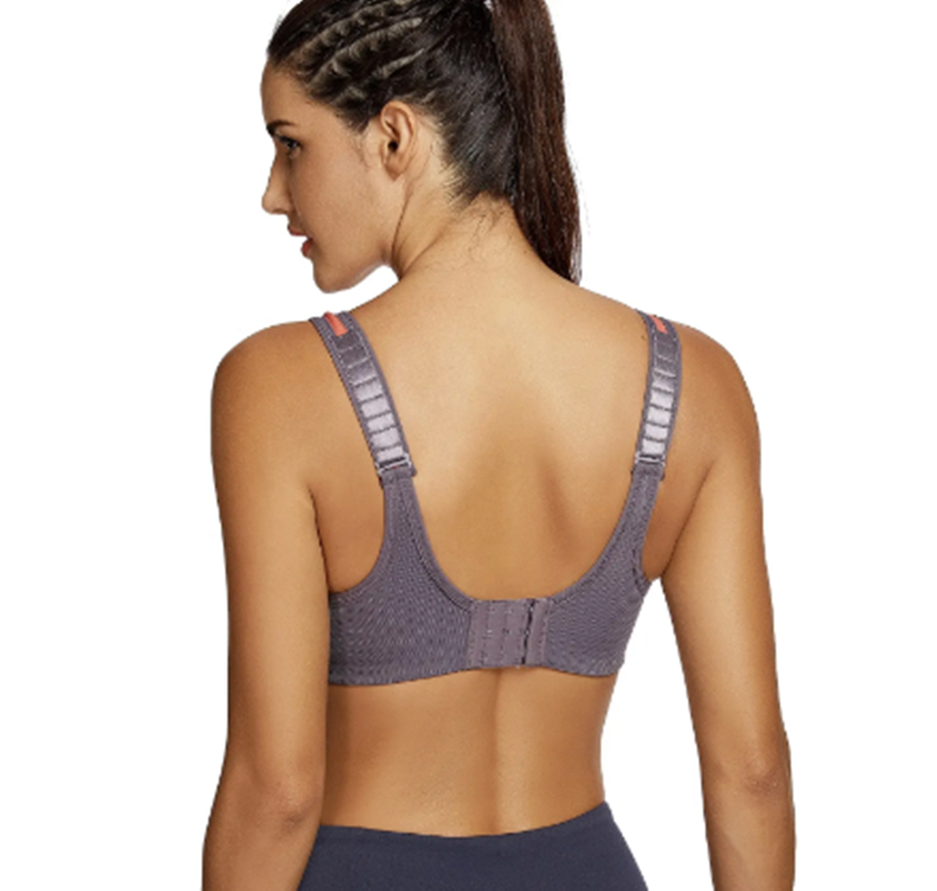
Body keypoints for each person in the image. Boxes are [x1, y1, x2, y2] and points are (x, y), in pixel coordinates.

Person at [201, 0, 795, 888]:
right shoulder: (694, 387)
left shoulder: (280, 387)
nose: (274, 192)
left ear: (394, 137)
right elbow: (752, 770)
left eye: (291, 144)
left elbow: (276, 791)